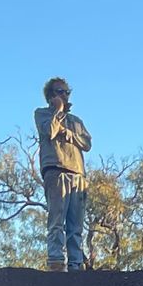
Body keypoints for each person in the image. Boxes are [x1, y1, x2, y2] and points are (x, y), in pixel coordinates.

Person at [34, 77, 92, 271]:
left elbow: (87, 144)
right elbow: (50, 132)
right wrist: (58, 111)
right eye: (61, 92)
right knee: (57, 220)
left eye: (67, 92)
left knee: (76, 225)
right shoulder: (42, 114)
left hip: (77, 173)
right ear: (51, 95)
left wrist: (68, 134)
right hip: (56, 171)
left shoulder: (76, 121)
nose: (65, 96)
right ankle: (56, 261)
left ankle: (76, 264)